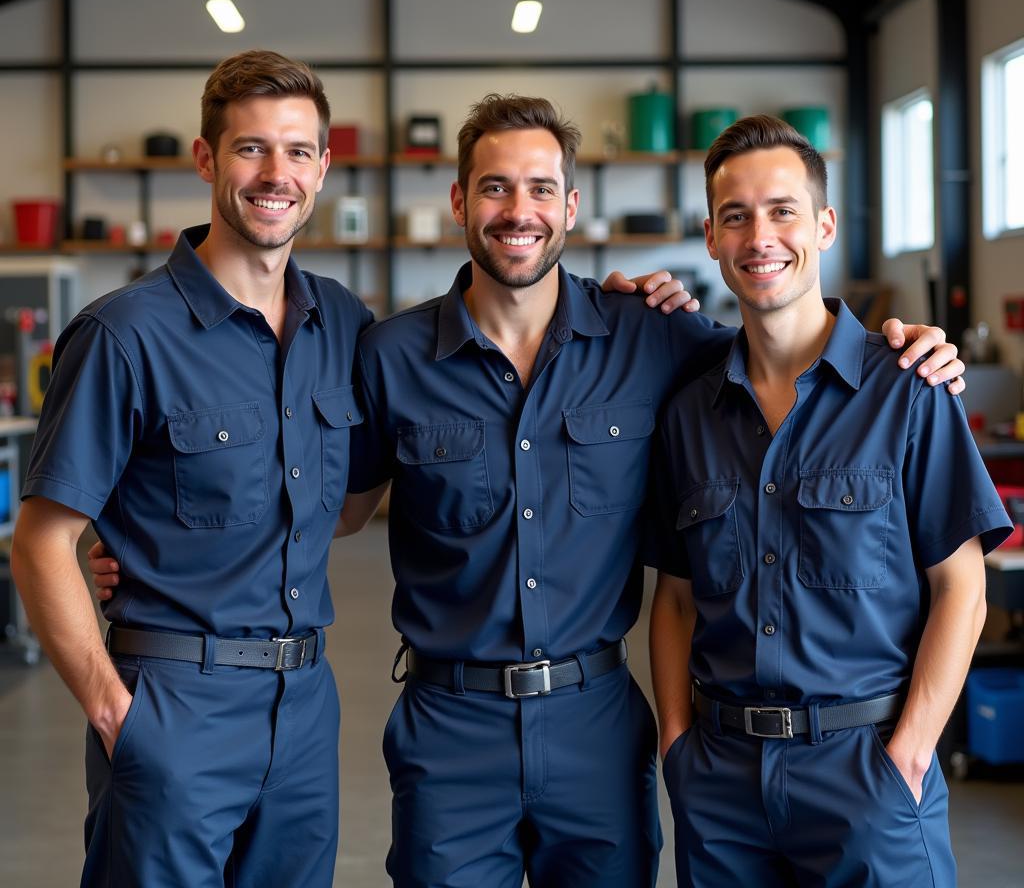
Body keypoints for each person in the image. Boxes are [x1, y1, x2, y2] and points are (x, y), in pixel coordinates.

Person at [342, 95, 965, 888]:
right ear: (460, 201)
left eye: (540, 189)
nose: (518, 211)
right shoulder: (392, 356)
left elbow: (780, 339)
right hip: (450, 722)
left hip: (595, 725)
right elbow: (328, 514)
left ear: (570, 207)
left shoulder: (652, 334)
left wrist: (906, 347)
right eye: (495, 188)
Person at [11, 49, 386, 887]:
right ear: (207, 159)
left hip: (305, 710)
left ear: (324, 168)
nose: (275, 174)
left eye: (297, 151)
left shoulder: (344, 324)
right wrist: (119, 717)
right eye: (251, 148)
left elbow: (350, 506)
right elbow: (40, 544)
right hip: (174, 703)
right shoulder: (126, 335)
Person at [648, 114, 1012, 888]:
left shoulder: (910, 389)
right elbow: (675, 600)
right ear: (710, 238)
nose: (760, 237)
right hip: (722, 784)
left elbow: (963, 590)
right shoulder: (689, 414)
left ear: (825, 224)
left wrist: (909, 755)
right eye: (735, 216)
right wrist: (677, 744)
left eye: (782, 211)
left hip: (868, 771)